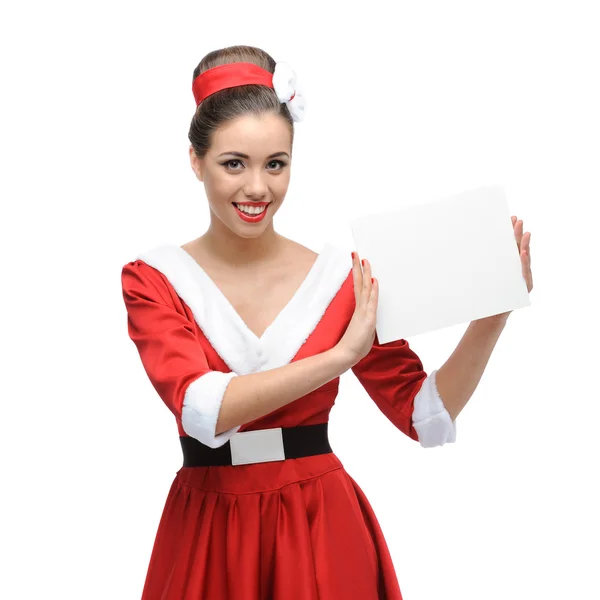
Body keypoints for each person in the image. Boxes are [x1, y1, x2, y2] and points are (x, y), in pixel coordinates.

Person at [121, 44, 458, 600]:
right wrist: (337, 359)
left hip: (319, 522)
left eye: (275, 163)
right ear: (194, 160)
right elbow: (203, 410)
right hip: (210, 523)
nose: (258, 188)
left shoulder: (342, 278)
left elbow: (428, 420)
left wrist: (492, 316)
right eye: (235, 163)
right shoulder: (155, 278)